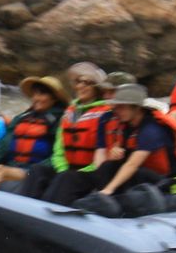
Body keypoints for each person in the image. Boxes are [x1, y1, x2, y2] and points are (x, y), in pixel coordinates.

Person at [17, 63, 119, 206]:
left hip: (91, 173)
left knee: (67, 178)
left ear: (96, 88)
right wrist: (62, 169)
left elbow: (103, 155)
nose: (80, 86)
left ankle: (45, 213)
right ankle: (22, 207)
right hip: (66, 170)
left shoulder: (106, 114)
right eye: (78, 81)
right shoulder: (69, 112)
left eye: (87, 83)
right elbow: (59, 149)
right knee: (37, 170)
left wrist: (75, 172)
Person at [0, 75, 67, 189]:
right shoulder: (21, 118)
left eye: (42, 94)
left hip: (34, 172)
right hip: (12, 167)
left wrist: (35, 171)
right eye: (34, 94)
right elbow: (1, 149)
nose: (36, 98)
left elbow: (58, 156)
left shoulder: (60, 121)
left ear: (54, 99)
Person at [96, 85, 176, 197]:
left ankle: (108, 196)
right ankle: (101, 195)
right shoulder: (126, 125)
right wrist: (115, 153)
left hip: (165, 180)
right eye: (117, 107)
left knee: (137, 174)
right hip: (140, 172)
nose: (117, 111)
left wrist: (108, 190)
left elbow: (132, 165)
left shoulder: (152, 129)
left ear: (137, 108)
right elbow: (125, 157)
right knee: (108, 166)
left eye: (122, 107)